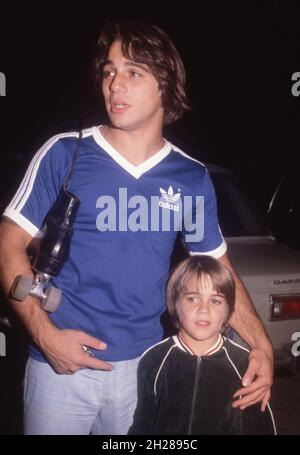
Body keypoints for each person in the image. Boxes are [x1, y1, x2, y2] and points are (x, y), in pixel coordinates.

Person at [0, 20, 273, 435]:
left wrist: (261, 345)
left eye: (133, 72)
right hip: (59, 369)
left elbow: (218, 271)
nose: (114, 84)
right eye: (109, 71)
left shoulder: (191, 176)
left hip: (145, 368)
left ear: (165, 85)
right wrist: (44, 334)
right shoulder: (65, 152)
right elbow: (9, 243)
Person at [128, 256, 276, 435]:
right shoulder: (154, 360)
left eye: (215, 301)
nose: (204, 309)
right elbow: (143, 422)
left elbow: (261, 427)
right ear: (174, 303)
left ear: (228, 311)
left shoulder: (245, 367)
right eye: (192, 299)